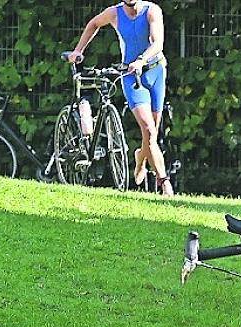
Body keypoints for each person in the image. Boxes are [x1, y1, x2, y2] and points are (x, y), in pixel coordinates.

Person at [67, 0, 174, 196]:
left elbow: (157, 43)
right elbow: (94, 24)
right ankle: (164, 182)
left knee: (152, 134)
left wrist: (141, 60)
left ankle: (140, 158)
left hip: (155, 71)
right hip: (131, 75)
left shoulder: (152, 11)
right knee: (148, 129)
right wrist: (78, 51)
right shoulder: (114, 13)